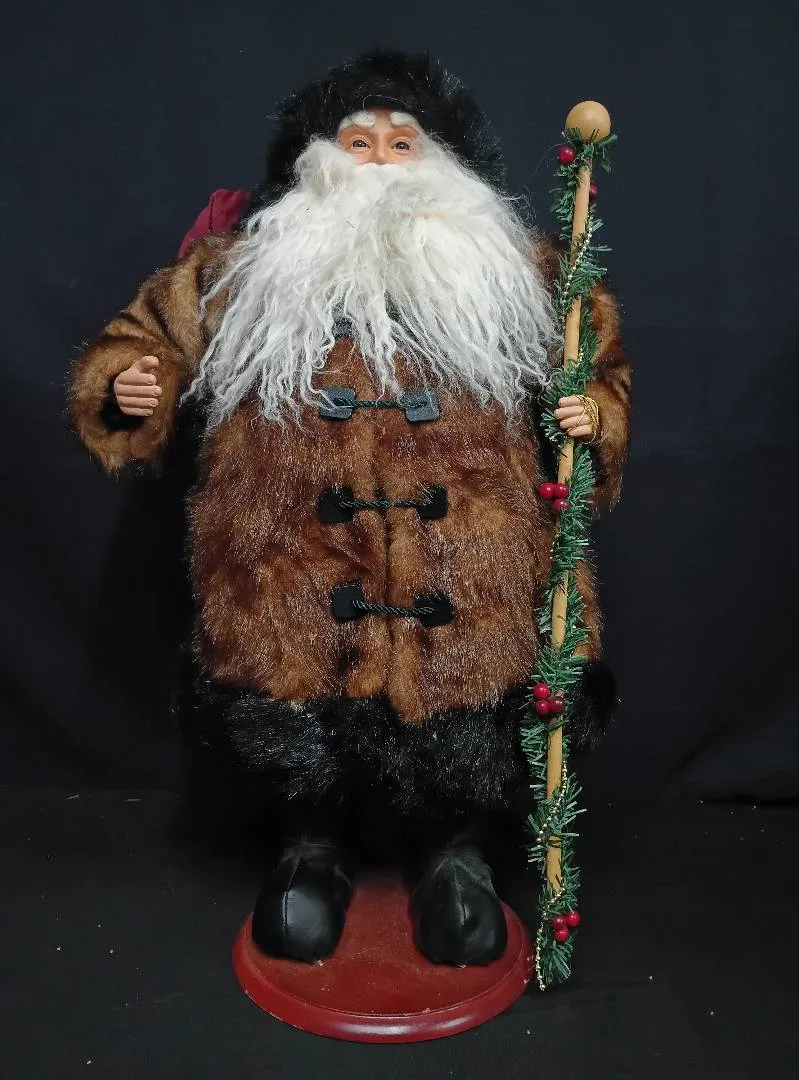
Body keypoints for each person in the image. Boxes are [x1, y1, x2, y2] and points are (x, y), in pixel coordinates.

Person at [70, 50, 631, 967]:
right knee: (299, 722)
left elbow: (596, 370)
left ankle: (454, 857)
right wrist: (132, 385)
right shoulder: (236, 270)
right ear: (315, 162)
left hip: (469, 571)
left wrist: (591, 415)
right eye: (357, 142)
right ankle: (310, 852)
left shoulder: (528, 276)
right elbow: (141, 342)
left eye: (401, 143)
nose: (377, 161)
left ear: (443, 163)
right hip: (289, 562)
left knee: (465, 721)